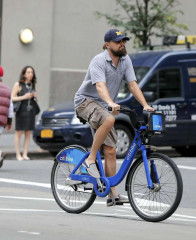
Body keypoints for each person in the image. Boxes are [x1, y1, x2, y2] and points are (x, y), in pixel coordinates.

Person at [74, 29, 154, 206]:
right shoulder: (99, 60)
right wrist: (110, 102)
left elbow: (132, 85)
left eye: (123, 41)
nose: (122, 44)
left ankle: (112, 195)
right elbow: (100, 87)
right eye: (118, 41)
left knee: (111, 150)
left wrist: (145, 105)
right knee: (110, 119)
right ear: (107, 45)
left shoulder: (125, 61)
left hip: (104, 106)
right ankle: (90, 160)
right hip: (85, 102)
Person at [11, 66, 38, 161]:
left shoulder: (33, 84)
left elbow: (36, 99)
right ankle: (18, 154)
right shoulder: (18, 84)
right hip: (21, 111)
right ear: (24, 74)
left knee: (28, 132)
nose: (30, 74)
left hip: (31, 111)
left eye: (32, 72)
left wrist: (35, 96)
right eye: (28, 72)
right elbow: (12, 98)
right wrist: (24, 97)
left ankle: (25, 154)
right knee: (19, 132)